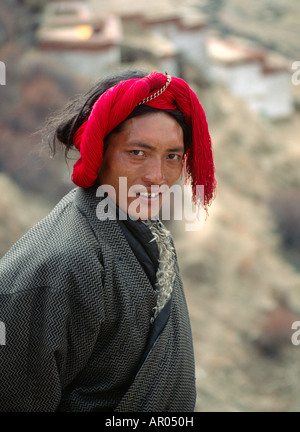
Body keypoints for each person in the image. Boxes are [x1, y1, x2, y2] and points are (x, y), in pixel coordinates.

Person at [0, 70, 216, 412]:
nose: (157, 177)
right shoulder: (64, 264)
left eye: (172, 156)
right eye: (138, 153)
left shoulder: (146, 234)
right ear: (99, 150)